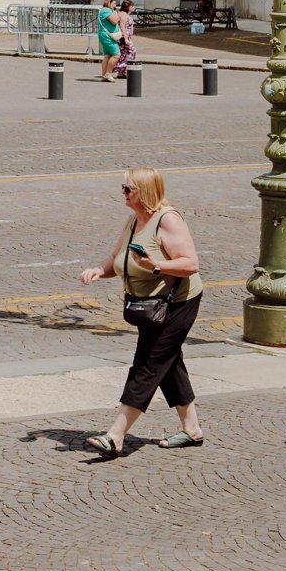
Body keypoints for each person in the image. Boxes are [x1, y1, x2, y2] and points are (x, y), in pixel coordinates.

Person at [77, 168, 205, 456]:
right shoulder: (134, 219)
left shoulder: (168, 220)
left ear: (144, 192)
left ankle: (116, 435)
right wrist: (99, 270)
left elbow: (190, 263)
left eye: (128, 189)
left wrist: (155, 266)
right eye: (123, 188)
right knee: (168, 363)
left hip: (176, 303)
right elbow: (116, 257)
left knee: (147, 364)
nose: (123, 193)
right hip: (149, 306)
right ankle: (192, 430)